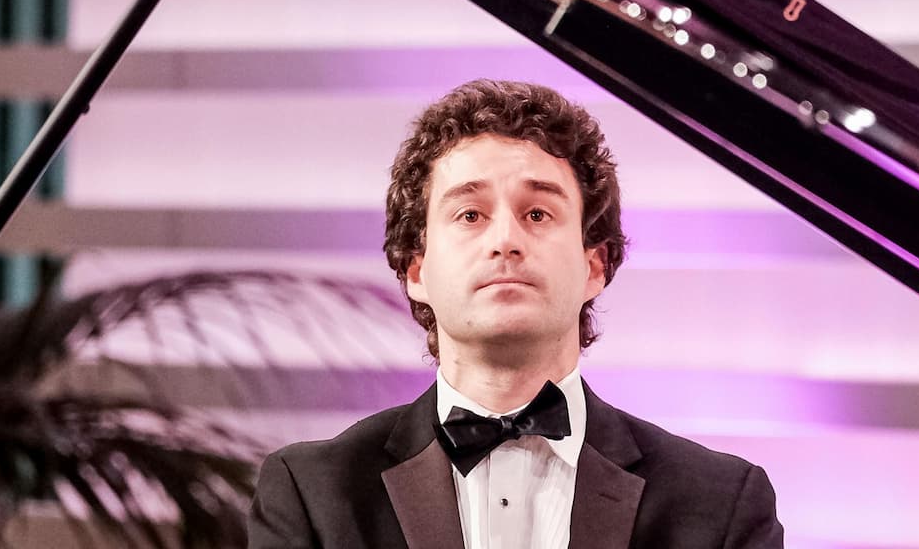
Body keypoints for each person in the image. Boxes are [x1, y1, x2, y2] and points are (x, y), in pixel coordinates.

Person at [248, 79, 785, 548]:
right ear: (416, 270)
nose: (505, 240)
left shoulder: (721, 504)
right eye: (470, 214)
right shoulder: (312, 492)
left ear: (595, 264)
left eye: (537, 212)